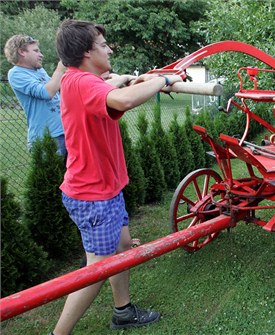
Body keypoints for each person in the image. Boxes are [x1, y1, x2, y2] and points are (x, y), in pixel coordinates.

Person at [50, 19, 184, 335]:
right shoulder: (83, 83)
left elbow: (110, 90)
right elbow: (123, 100)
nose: (109, 49)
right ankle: (58, 333)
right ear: (85, 52)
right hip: (92, 194)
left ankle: (122, 311)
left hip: (104, 189)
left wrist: (122, 80)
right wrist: (163, 79)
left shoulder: (79, 79)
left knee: (122, 247)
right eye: (102, 45)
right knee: (96, 269)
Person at [4, 34, 67, 156]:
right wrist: (60, 69)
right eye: (36, 51)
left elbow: (57, 88)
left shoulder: (39, 71)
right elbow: (47, 92)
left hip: (64, 132)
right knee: (52, 175)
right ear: (22, 52)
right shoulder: (16, 74)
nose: (41, 55)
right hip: (47, 139)